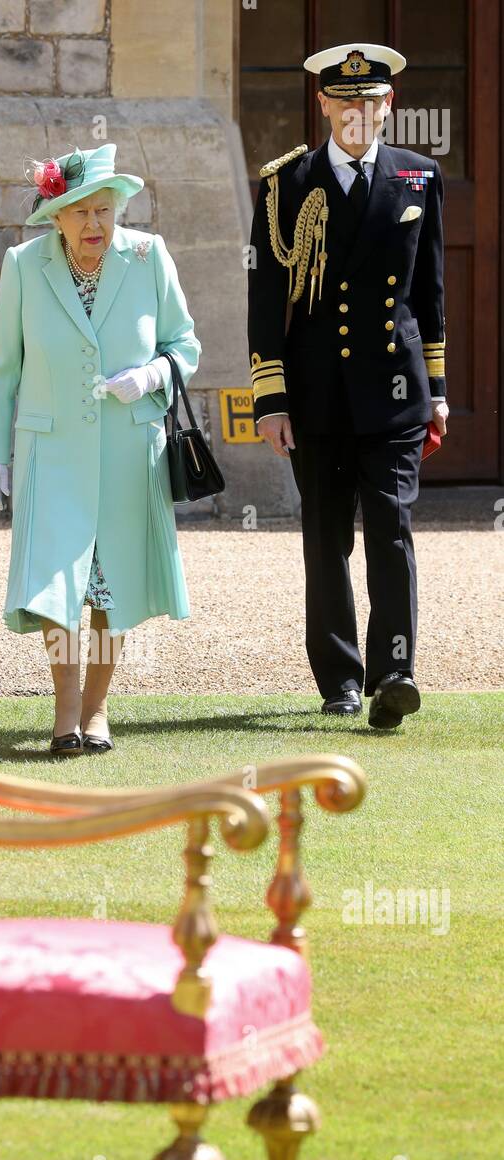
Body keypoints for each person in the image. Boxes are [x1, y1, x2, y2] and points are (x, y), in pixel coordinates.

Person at [247, 43, 448, 730]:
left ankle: (395, 670)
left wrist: (440, 391)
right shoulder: (287, 184)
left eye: (371, 102)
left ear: (388, 105)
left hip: (395, 390)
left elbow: (429, 294)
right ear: (324, 105)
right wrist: (269, 399)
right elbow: (265, 296)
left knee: (392, 529)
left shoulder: (419, 177)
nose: (358, 113)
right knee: (325, 535)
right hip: (317, 393)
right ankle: (339, 680)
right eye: (345, 102)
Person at [0, 143, 200, 754]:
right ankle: (64, 712)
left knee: (110, 584)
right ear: (56, 217)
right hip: (51, 453)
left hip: (130, 450)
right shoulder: (24, 265)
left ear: (118, 209)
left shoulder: (149, 257)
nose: (92, 224)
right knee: (56, 586)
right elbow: (1, 369)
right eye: (78, 213)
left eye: (103, 210)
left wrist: (151, 376)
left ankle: (97, 713)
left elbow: (185, 344)